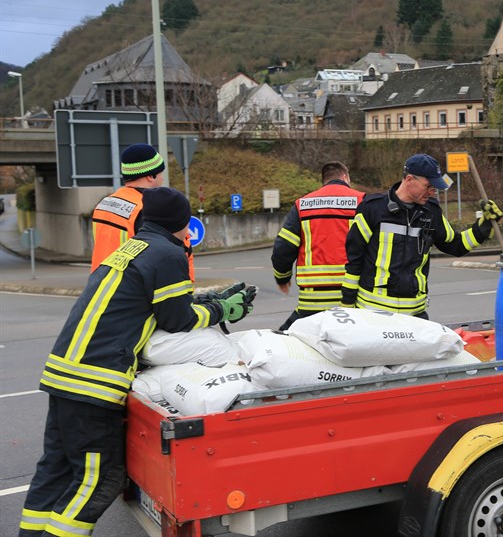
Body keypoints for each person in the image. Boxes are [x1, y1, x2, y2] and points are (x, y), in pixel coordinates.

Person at [18, 187, 256, 537]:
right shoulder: (167, 254)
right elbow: (177, 319)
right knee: (100, 480)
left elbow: (156, 304)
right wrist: (222, 310)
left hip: (64, 374)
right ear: (178, 222)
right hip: (94, 384)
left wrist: (211, 300)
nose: (188, 231)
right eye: (187, 222)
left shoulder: (132, 248)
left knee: (55, 470)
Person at [341, 153, 503, 319]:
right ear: (410, 179)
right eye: (428, 186)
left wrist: (483, 226)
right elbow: (354, 259)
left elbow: (456, 245)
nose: (432, 192)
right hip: (373, 313)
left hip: (415, 315)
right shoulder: (372, 208)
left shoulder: (431, 211)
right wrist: (347, 305)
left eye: (435, 188)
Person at [271, 161, 365, 330]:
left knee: (290, 338)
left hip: (312, 301)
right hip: (353, 296)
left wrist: (282, 278)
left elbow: (283, 247)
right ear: (345, 177)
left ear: (324, 180)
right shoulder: (363, 201)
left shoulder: (303, 205)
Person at [90, 143, 195, 280]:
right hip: (134, 287)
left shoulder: (105, 204)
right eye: (160, 173)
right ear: (151, 176)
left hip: (100, 284)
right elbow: (173, 254)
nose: (163, 178)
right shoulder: (150, 210)